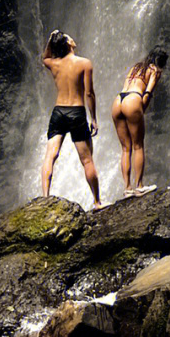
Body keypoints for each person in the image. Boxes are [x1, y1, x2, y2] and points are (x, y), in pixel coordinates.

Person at [40, 29, 102, 208]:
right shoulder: (84, 63)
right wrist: (94, 118)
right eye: (68, 37)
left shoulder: (54, 64)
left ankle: (44, 198)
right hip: (76, 112)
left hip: (58, 112)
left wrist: (51, 40)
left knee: (50, 156)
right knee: (87, 160)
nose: (71, 37)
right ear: (68, 44)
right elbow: (89, 93)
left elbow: (44, 58)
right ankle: (97, 202)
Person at [111, 45, 168, 197]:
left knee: (125, 148)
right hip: (134, 99)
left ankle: (127, 188)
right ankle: (140, 186)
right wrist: (140, 110)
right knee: (138, 146)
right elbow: (148, 93)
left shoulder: (136, 67)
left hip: (118, 100)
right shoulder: (155, 70)